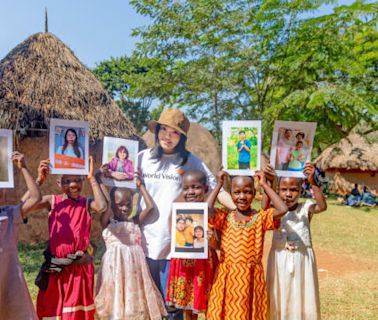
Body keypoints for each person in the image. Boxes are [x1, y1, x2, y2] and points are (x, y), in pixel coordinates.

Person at [137, 108, 234, 319]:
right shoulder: (143, 158)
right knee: (149, 303)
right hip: (144, 240)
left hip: (176, 243)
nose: (167, 136)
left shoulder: (191, 161)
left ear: (181, 137)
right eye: (163, 130)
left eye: (174, 132)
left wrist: (239, 209)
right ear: (157, 132)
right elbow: (122, 185)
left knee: (172, 307)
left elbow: (215, 188)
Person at [27, 157, 107, 320]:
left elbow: (102, 206)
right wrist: (39, 181)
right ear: (58, 183)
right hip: (56, 268)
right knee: (53, 308)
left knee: (75, 312)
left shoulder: (86, 203)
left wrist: (92, 179)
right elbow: (28, 204)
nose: (73, 185)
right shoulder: (52, 201)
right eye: (66, 181)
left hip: (79, 269)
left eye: (78, 180)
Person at [207, 169, 288, 320]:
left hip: (250, 277)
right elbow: (206, 210)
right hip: (226, 276)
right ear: (230, 194)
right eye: (236, 192)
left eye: (248, 192)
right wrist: (218, 185)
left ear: (254, 192)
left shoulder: (260, 218)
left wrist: (265, 184)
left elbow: (282, 209)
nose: (242, 196)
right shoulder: (224, 217)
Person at [95, 171, 167, 319]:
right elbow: (106, 204)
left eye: (128, 204)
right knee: (115, 300)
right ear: (113, 206)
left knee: (134, 301)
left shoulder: (134, 221)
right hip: (115, 269)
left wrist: (141, 187)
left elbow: (150, 207)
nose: (125, 208)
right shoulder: (107, 222)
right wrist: (98, 179)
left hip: (134, 269)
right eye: (119, 205)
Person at [265, 162, 327, 320]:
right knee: (280, 294)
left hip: (302, 262)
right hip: (279, 261)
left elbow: (322, 206)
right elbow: (263, 207)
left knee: (301, 294)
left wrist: (313, 181)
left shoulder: (306, 208)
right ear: (277, 191)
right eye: (283, 189)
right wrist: (268, 182)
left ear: (300, 191)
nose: (288, 194)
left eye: (293, 190)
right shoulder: (275, 210)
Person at [166, 169, 222, 319]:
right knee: (187, 308)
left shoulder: (211, 213)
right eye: (186, 188)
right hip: (184, 263)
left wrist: (211, 240)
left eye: (196, 187)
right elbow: (173, 233)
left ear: (205, 188)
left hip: (205, 265)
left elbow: (219, 245)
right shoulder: (179, 211)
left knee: (209, 304)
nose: (190, 192)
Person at [0, 152, 42, 320]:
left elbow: (35, 197)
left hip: (9, 282)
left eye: (2, 185)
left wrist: (23, 167)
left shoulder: (9, 215)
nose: (1, 190)